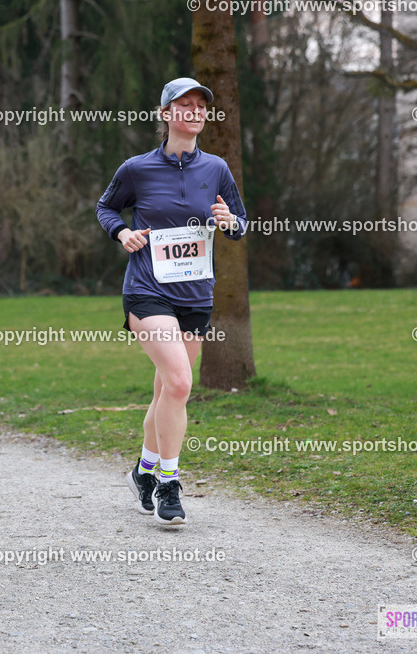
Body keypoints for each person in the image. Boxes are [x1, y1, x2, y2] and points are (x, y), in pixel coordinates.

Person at [96, 77, 247, 525]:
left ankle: (143, 471)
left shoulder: (216, 168)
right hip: (147, 289)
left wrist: (229, 221)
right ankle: (167, 483)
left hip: (197, 293)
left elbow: (239, 222)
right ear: (165, 114)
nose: (195, 111)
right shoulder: (137, 169)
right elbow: (106, 208)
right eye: (185, 104)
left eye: (201, 105)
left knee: (168, 388)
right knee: (180, 382)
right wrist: (122, 232)